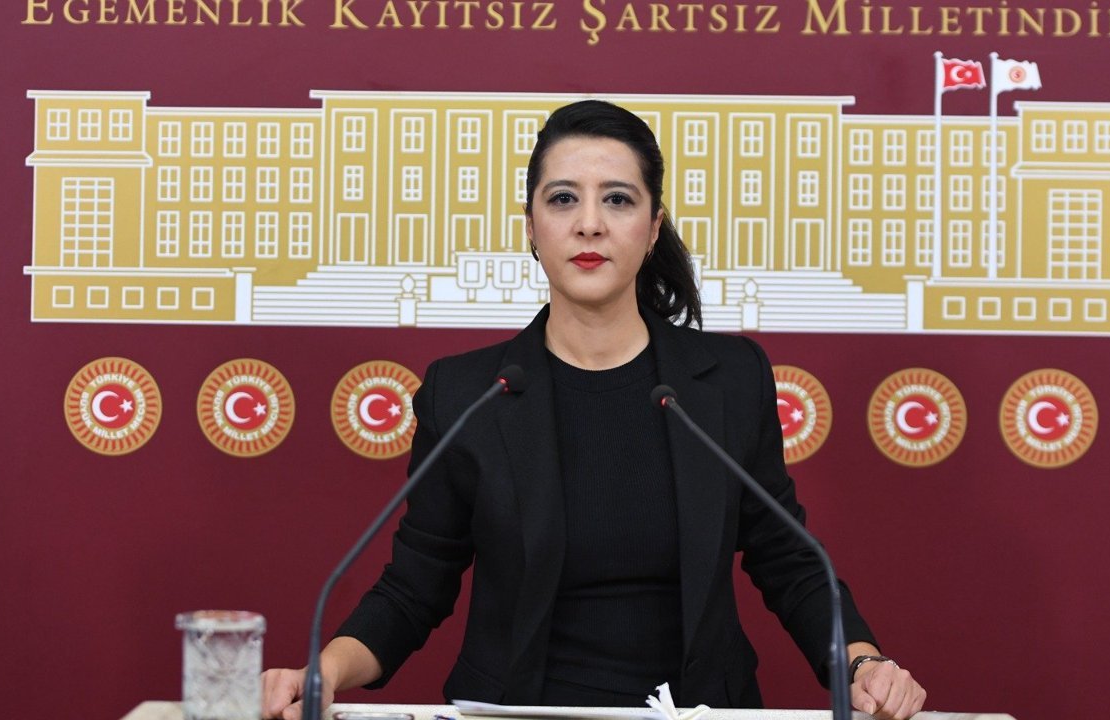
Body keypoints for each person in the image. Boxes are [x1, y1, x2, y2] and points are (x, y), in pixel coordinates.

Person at [262, 100, 926, 720]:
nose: (589, 223)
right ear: (530, 226)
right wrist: (323, 673)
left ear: (653, 226)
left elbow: (788, 561)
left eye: (617, 199)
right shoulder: (466, 393)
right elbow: (414, 587)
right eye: (562, 199)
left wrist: (862, 662)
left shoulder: (726, 380)